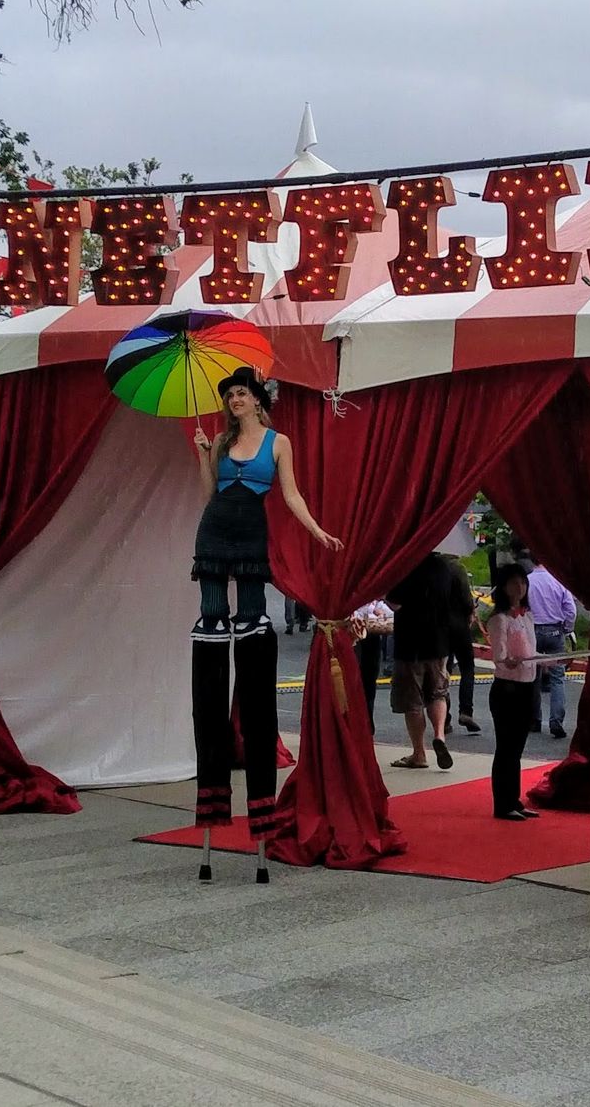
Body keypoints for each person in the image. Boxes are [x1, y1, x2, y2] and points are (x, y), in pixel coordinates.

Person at [188, 367, 342, 859]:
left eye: (241, 393)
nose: (234, 400)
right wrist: (201, 456)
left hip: (252, 532)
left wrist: (317, 531)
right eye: (229, 395)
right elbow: (209, 494)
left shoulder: (279, 443)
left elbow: (291, 494)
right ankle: (213, 787)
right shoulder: (218, 440)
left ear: (258, 400)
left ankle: (257, 800)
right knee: (213, 617)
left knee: (252, 619)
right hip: (215, 529)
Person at [385, 552, 463, 770]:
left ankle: (419, 753)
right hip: (439, 640)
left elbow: (394, 603)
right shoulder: (445, 567)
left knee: (413, 701)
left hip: (411, 642)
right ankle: (439, 735)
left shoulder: (405, 564)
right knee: (438, 693)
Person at [484, 563, 541, 821]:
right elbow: (500, 657)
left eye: (522, 583)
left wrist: (552, 660)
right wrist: (512, 661)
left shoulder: (526, 616)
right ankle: (502, 803)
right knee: (505, 747)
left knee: (517, 748)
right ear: (503, 587)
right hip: (507, 689)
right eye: (513, 583)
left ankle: (514, 799)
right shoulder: (500, 620)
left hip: (527, 686)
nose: (519, 587)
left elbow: (532, 653)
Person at [519, 549, 578, 739]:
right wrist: (567, 629)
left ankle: (534, 719)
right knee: (557, 678)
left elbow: (520, 607)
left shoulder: (527, 581)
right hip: (555, 631)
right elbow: (571, 610)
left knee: (532, 676)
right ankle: (556, 721)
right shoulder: (558, 581)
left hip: (533, 630)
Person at [444, 554, 482, 735]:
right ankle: (466, 710)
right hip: (459, 624)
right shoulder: (457, 569)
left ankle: (444, 716)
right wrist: (470, 613)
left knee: (444, 670)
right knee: (467, 667)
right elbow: (467, 600)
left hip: (439, 627)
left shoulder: (433, 568)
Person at [353, 598, 393, 725]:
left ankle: (367, 721)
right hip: (353, 630)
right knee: (355, 679)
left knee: (369, 679)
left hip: (370, 630)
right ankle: (359, 721)